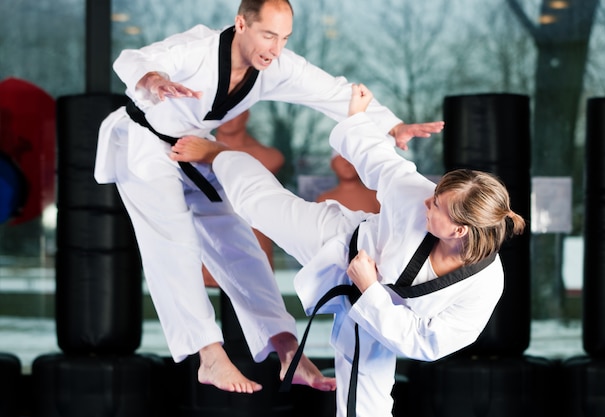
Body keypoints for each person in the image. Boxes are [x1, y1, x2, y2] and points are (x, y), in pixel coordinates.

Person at [94, 0, 443, 394]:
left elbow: (334, 92)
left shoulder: (276, 66)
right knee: (172, 244)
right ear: (241, 24)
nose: (275, 48)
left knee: (239, 245)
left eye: (284, 38)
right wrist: (154, 81)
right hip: (141, 145)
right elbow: (132, 59)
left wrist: (393, 125)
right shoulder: (199, 49)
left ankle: (286, 349)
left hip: (192, 147)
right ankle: (209, 356)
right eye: (268, 35)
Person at [169, 83, 526, 417]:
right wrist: (356, 119)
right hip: (339, 242)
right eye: (434, 194)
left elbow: (427, 343)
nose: (427, 202)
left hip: (377, 323)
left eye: (436, 205)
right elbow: (382, 162)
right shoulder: (415, 196)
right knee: (257, 206)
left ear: (460, 230)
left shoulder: (484, 286)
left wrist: (371, 290)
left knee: (365, 411)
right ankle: (222, 156)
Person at [202, 109, 283, 286]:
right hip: (212, 239)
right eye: (224, 111)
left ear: (246, 115)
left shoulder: (268, 156)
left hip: (253, 242)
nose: (228, 117)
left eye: (235, 111)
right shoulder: (198, 151)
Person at [316, 151, 380, 214]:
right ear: (332, 164)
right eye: (341, 158)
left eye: (351, 159)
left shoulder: (377, 197)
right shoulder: (324, 200)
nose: (347, 163)